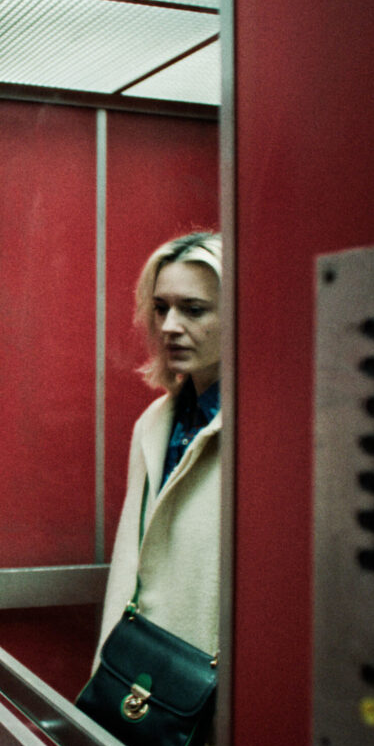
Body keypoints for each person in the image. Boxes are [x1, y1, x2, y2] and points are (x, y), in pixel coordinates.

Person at [96, 232, 223, 666]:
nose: (170, 326)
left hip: (210, 677)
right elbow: (128, 570)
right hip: (143, 670)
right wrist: (105, 671)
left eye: (193, 309)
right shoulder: (154, 423)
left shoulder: (262, 433)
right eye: (161, 308)